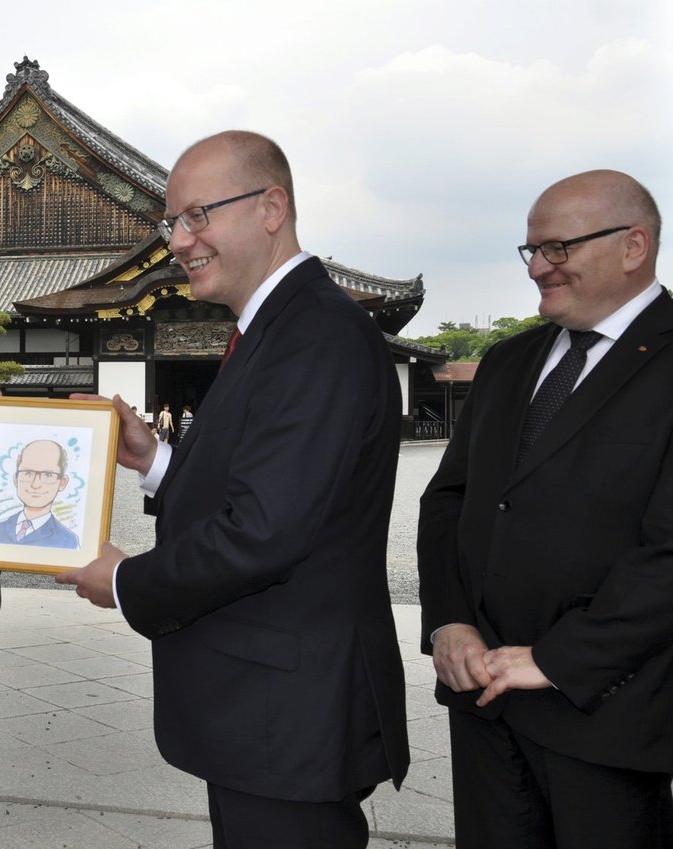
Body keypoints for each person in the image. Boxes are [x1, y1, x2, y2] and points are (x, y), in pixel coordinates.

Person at [57, 131, 408, 848]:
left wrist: (126, 580)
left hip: (292, 710)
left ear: (272, 207)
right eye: (171, 222)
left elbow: (264, 528)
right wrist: (156, 460)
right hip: (269, 707)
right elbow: (267, 483)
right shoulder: (276, 327)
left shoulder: (316, 335)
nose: (180, 240)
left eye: (198, 215)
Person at [417, 170, 673, 848]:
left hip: (606, 713)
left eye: (557, 248)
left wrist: (559, 658)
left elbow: (668, 552)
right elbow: (448, 501)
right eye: (529, 250)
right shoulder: (509, 361)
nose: (537, 268)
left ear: (633, 246)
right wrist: (448, 622)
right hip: (484, 702)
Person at [0, 438, 80, 549]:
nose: (35, 484)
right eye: (28, 473)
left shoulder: (68, 541)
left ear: (62, 483)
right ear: (16, 479)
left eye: (48, 475)